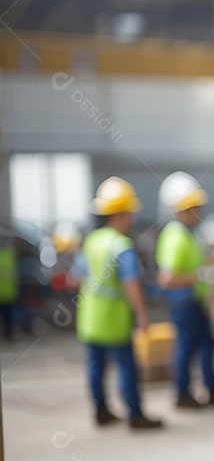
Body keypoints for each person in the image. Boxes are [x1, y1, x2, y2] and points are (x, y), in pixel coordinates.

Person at [76, 177, 163, 430]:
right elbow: (132, 284)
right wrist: (143, 316)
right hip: (113, 321)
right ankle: (135, 414)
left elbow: (79, 274)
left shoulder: (92, 241)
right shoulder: (122, 246)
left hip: (90, 317)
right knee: (127, 368)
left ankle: (101, 411)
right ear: (124, 213)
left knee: (95, 367)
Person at [156, 171, 214, 409]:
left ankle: (211, 388)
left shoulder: (190, 235)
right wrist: (201, 276)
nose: (198, 213)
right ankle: (183, 394)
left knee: (208, 345)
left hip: (197, 302)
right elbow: (166, 279)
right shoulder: (175, 237)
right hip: (184, 304)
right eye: (193, 208)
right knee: (186, 349)